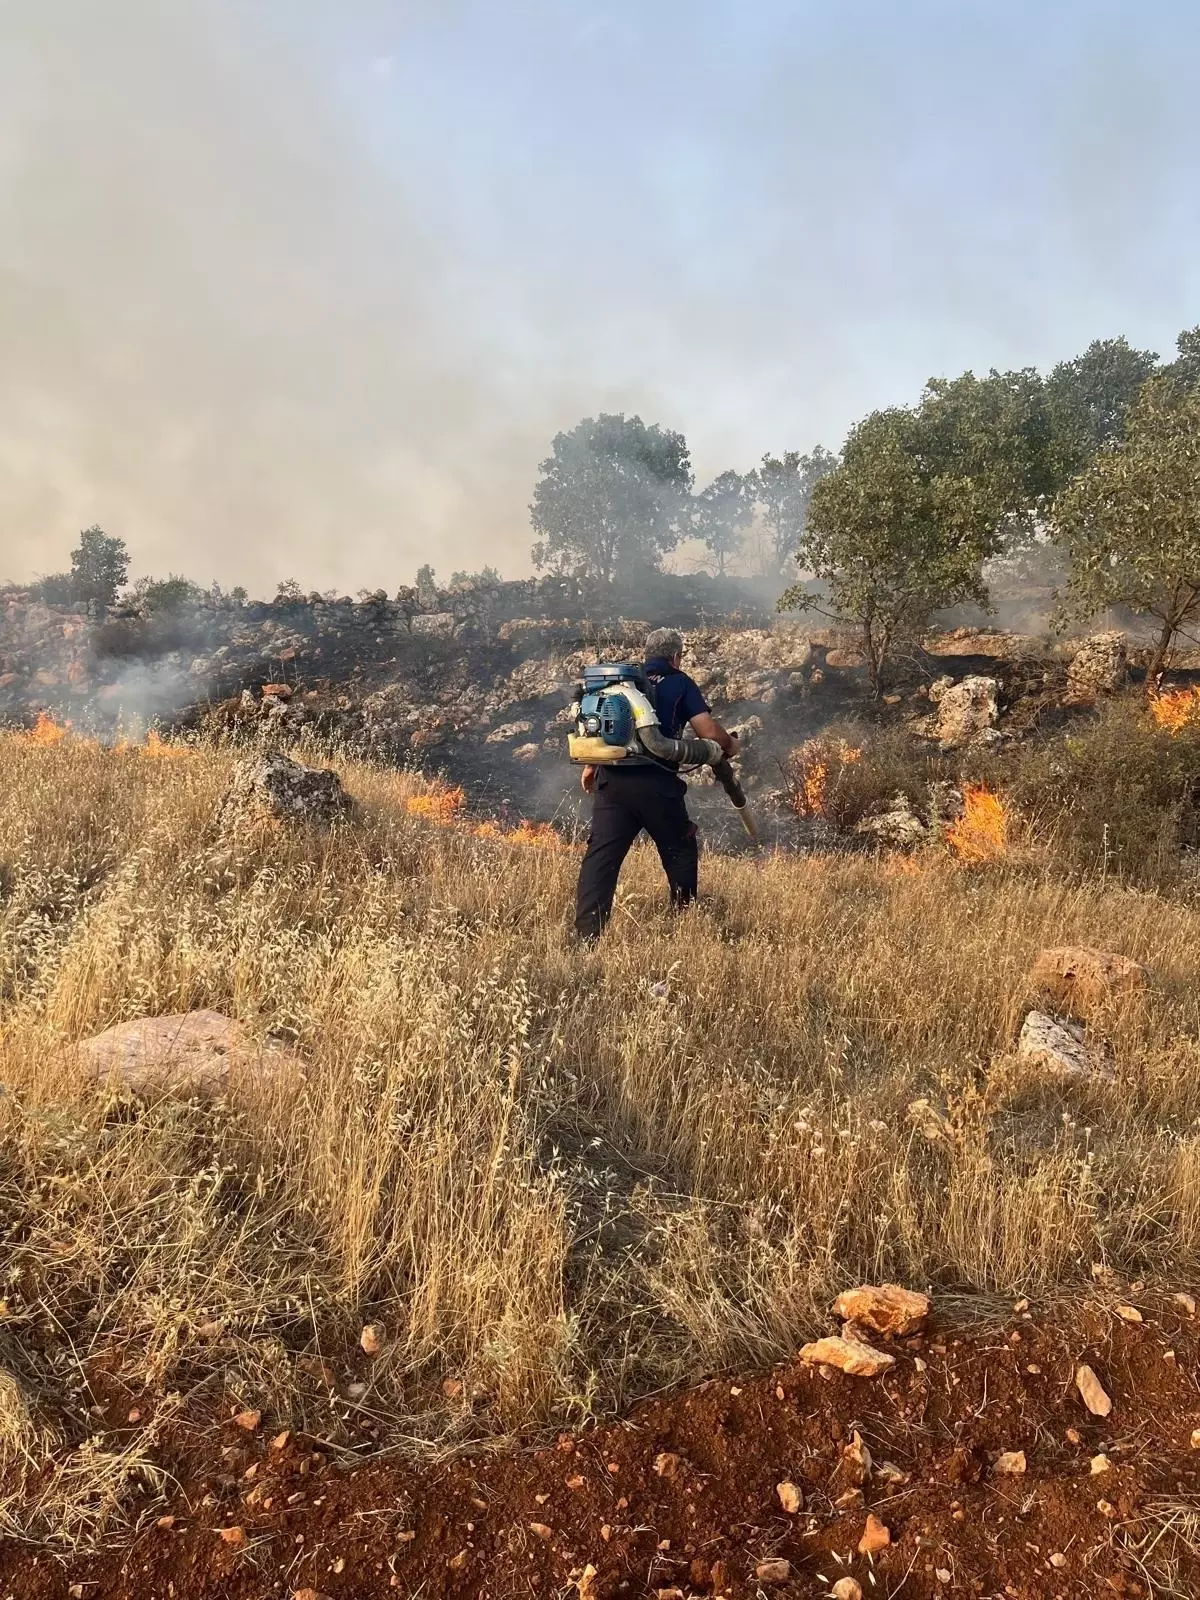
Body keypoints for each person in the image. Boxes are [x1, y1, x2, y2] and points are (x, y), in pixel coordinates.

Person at [574, 627, 739, 942]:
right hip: (657, 783)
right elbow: (708, 732)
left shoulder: (619, 683)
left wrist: (592, 765)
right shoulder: (680, 682)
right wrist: (729, 744)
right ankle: (683, 925)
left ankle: (586, 938)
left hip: (613, 782)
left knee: (601, 859)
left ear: (647, 654)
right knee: (679, 849)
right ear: (676, 657)